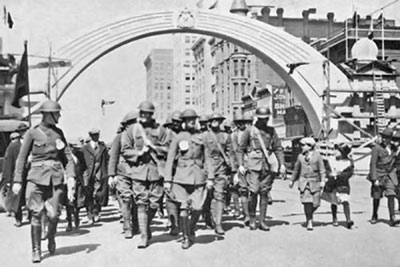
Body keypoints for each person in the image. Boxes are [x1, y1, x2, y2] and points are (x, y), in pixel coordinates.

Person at [12, 100, 76, 263]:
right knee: (36, 213)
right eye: (57, 113)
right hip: (36, 179)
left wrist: (71, 177)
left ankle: (51, 237)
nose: (59, 116)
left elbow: (67, 157)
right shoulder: (32, 133)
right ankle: (36, 250)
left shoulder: (59, 133)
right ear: (48, 114)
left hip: (55, 180)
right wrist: (18, 180)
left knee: (54, 214)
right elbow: (21, 158)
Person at [120, 101, 167, 248]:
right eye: (143, 113)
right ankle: (144, 236)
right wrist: (139, 153)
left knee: (154, 203)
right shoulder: (133, 130)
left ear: (152, 114)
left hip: (156, 171)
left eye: (148, 113)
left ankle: (145, 226)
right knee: (141, 203)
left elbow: (168, 148)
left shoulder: (160, 130)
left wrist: (154, 148)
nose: (145, 115)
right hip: (139, 171)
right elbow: (125, 150)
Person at [164, 109, 211, 249]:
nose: (191, 121)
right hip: (181, 178)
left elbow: (207, 159)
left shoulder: (201, 137)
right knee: (184, 209)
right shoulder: (178, 137)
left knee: (198, 207)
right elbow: (170, 159)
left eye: (193, 119)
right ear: (183, 122)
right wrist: (167, 180)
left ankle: (191, 227)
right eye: (188, 119)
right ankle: (185, 237)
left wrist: (211, 177)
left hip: (198, 178)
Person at [237, 107, 285, 231]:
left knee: (264, 192)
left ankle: (262, 221)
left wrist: (282, 164)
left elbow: (278, 148)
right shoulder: (250, 131)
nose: (264, 121)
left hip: (267, 164)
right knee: (253, 191)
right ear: (257, 118)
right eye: (262, 119)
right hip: (253, 165)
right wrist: (241, 164)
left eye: (266, 119)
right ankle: (252, 218)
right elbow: (240, 149)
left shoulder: (271, 131)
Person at [108, 111, 139, 239]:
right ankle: (127, 226)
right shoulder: (119, 137)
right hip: (123, 173)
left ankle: (137, 224)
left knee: (138, 200)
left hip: (138, 173)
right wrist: (111, 175)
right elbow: (113, 157)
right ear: (126, 125)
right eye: (132, 123)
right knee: (126, 199)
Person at [203, 112, 233, 235]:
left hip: (221, 169)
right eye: (213, 120)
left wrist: (232, 170)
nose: (215, 122)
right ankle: (207, 219)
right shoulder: (203, 136)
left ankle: (219, 224)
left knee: (220, 195)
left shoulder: (226, 136)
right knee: (206, 197)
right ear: (209, 122)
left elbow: (230, 153)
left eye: (218, 120)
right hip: (205, 169)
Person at [289, 137, 326, 231]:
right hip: (304, 182)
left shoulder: (318, 156)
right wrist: (292, 180)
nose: (301, 147)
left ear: (309, 146)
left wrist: (323, 181)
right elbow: (296, 170)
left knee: (316, 204)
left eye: (303, 145)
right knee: (307, 203)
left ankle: (310, 214)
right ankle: (309, 221)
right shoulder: (300, 157)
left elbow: (322, 170)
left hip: (315, 182)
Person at [367, 127, 399, 226]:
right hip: (379, 174)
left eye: (387, 138)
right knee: (376, 196)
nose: (385, 139)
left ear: (390, 138)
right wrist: (374, 178)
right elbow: (372, 164)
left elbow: (395, 160)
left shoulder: (394, 148)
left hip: (389, 174)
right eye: (383, 137)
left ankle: (392, 217)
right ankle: (374, 214)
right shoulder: (377, 148)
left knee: (391, 194)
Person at [2, 123, 29, 227]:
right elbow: (8, 163)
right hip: (17, 175)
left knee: (30, 196)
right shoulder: (13, 146)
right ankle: (18, 219)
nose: (25, 133)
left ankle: (31, 215)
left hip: (29, 174)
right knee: (16, 198)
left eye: (26, 131)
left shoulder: (31, 144)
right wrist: (7, 180)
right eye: (23, 132)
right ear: (20, 133)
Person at [322, 143, 355, 229]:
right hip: (332, 184)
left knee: (345, 200)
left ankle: (348, 219)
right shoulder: (331, 160)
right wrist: (329, 174)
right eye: (335, 150)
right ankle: (334, 218)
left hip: (342, 185)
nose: (335, 152)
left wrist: (340, 174)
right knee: (334, 201)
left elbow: (349, 173)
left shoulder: (348, 162)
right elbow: (326, 170)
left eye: (338, 150)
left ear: (343, 153)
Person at [81, 128, 109, 224]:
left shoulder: (102, 147)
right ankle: (89, 214)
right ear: (90, 136)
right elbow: (82, 162)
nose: (96, 136)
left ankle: (96, 212)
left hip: (100, 174)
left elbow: (106, 160)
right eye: (94, 135)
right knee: (88, 195)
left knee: (99, 194)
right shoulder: (85, 148)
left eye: (97, 134)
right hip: (88, 175)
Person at [161, 110, 182, 236]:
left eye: (178, 122)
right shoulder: (168, 134)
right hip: (170, 168)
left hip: (184, 169)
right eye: (174, 122)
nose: (176, 124)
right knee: (170, 196)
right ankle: (174, 223)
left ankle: (180, 221)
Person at [231, 113, 253, 225]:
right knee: (242, 190)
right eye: (238, 123)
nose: (241, 125)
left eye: (243, 122)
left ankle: (249, 213)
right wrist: (235, 169)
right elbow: (234, 152)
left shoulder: (251, 132)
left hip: (252, 164)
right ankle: (246, 215)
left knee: (253, 190)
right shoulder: (234, 135)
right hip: (240, 165)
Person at [64, 138, 87, 231]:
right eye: (74, 148)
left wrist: (84, 180)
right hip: (68, 182)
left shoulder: (80, 155)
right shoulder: (64, 157)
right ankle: (69, 222)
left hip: (78, 181)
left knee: (77, 202)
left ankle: (76, 219)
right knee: (68, 203)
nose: (76, 150)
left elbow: (84, 167)